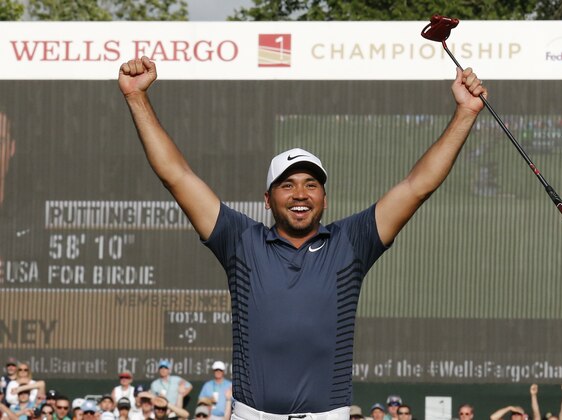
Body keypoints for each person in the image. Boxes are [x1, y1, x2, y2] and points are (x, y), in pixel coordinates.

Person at [118, 56, 486, 417]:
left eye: (312, 184)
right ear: (267, 199)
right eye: (287, 185)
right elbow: (177, 176)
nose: (300, 194)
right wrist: (137, 98)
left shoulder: (350, 243)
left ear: (325, 198)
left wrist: (465, 114)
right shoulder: (241, 241)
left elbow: (416, 186)